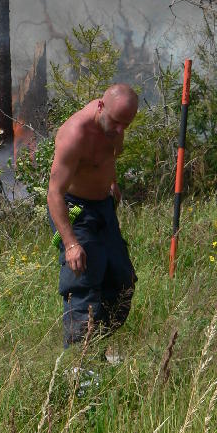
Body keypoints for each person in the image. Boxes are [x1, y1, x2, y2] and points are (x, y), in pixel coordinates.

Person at [47, 84, 138, 348]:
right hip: (75, 209)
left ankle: (97, 346)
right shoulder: (75, 134)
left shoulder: (115, 126)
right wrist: (71, 244)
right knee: (82, 285)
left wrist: (111, 182)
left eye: (126, 124)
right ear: (101, 106)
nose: (121, 130)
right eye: (117, 122)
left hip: (104, 207)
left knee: (122, 280)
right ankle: (78, 365)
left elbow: (109, 157)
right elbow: (54, 194)